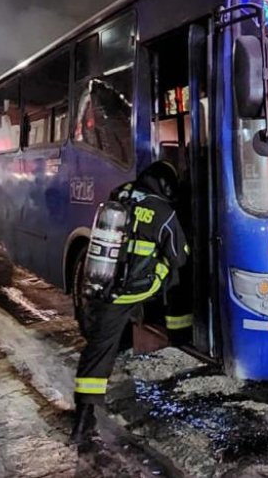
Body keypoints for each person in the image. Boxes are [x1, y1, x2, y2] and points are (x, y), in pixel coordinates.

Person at [71, 161, 190, 445]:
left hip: (105, 289)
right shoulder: (162, 212)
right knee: (178, 277)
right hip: (137, 291)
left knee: (98, 351)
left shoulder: (118, 199)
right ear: (164, 185)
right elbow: (180, 255)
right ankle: (179, 333)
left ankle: (82, 420)